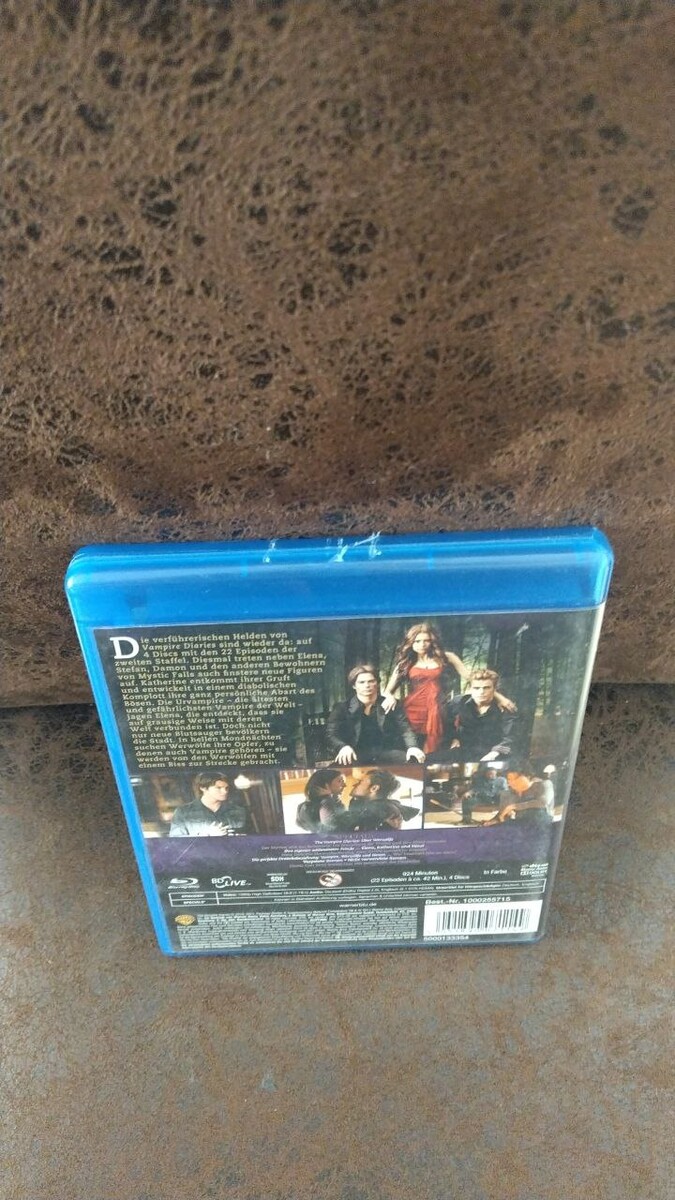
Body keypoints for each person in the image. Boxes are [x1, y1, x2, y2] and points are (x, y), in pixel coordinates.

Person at [381, 623, 516, 754]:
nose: (422, 644)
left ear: (432, 641)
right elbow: (387, 691)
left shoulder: (447, 657)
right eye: (417, 641)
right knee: (414, 744)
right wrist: (390, 697)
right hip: (413, 710)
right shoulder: (405, 663)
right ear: (411, 642)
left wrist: (499, 697)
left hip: (439, 709)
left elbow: (472, 678)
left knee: (437, 748)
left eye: (426, 640)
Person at [326, 664, 425, 766]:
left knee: (413, 761)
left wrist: (412, 747)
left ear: (377, 683)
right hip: (355, 754)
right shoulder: (342, 708)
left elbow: (405, 729)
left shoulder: (390, 704)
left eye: (371, 681)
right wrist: (343, 747)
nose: (367, 685)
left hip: (386, 754)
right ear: (354, 686)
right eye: (361, 682)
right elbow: (331, 734)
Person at [441, 669, 517, 763]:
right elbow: (446, 724)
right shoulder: (459, 702)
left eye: (486, 688)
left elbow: (510, 737)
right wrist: (454, 738)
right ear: (470, 688)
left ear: (494, 689)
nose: (481, 692)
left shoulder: (505, 708)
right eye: (476, 688)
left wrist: (495, 752)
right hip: (464, 752)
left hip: (493, 753)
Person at [169, 772, 252, 837]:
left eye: (226, 788)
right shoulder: (183, 812)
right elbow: (176, 841)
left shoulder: (239, 811)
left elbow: (251, 838)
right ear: (203, 788)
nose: (225, 791)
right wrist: (206, 835)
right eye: (218, 788)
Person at [346, 769, 420, 832]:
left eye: (360, 782)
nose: (354, 785)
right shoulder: (371, 807)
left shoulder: (382, 811)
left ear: (374, 788)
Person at [296, 768, 349, 833]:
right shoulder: (326, 803)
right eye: (340, 781)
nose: (344, 785)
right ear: (325, 784)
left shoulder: (306, 806)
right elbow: (337, 828)